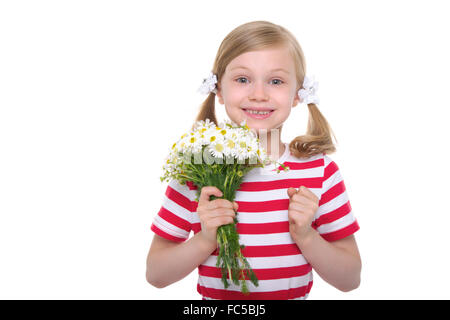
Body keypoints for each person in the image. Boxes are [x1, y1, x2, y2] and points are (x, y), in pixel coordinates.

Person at [146, 20, 361, 300]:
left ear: (298, 93)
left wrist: (307, 236)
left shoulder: (320, 172)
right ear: (219, 89)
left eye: (276, 81)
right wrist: (205, 239)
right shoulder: (196, 170)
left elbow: (350, 279)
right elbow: (156, 274)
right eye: (243, 79)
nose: (259, 94)